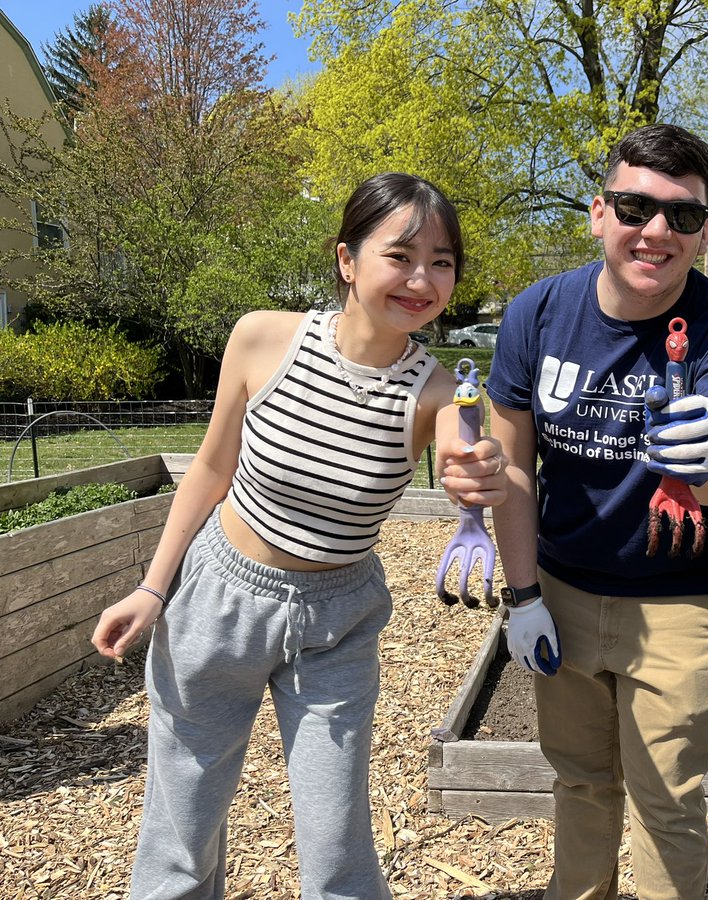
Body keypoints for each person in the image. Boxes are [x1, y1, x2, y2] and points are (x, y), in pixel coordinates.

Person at [90, 173, 507, 898]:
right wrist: (152, 589)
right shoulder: (262, 337)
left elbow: (468, 449)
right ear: (346, 259)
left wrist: (478, 472)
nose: (423, 279)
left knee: (335, 842)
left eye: (442, 262)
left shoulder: (438, 391)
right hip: (215, 599)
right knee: (180, 835)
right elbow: (210, 469)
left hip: (336, 621)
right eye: (401, 255)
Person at [486, 123, 708, 899]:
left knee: (666, 799)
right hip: (563, 590)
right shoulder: (538, 314)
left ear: (703, 231)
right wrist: (522, 598)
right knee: (579, 782)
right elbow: (511, 466)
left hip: (681, 596)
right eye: (634, 206)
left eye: (681, 216)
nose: (655, 232)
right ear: (598, 212)